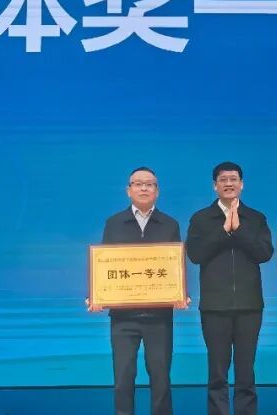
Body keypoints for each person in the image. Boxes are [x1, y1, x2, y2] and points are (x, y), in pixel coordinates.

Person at [88, 166, 186, 415]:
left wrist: (180, 293)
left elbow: (175, 265)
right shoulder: (114, 223)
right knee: (123, 378)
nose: (144, 188)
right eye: (138, 183)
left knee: (161, 378)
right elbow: (106, 264)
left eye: (149, 184)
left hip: (159, 317)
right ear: (128, 190)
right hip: (123, 318)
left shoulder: (170, 224)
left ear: (157, 191)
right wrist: (97, 294)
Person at [185, 161, 273, 415]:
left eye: (233, 179)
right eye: (223, 180)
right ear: (215, 186)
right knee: (217, 373)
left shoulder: (255, 218)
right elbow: (195, 255)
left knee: (246, 373)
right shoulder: (201, 218)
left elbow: (264, 253)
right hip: (214, 307)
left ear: (241, 184)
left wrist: (239, 230)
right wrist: (223, 230)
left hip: (249, 306)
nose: (228, 183)